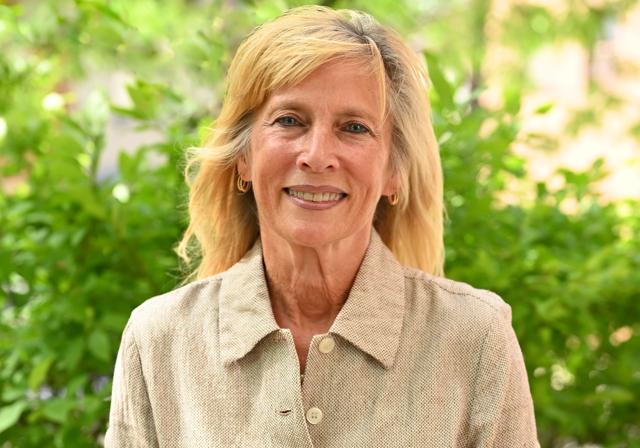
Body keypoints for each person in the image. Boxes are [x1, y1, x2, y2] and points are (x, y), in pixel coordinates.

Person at [105, 5, 539, 447]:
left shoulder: (475, 339)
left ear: (394, 172)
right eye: (290, 120)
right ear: (244, 157)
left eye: (353, 128)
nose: (316, 155)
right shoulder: (159, 341)